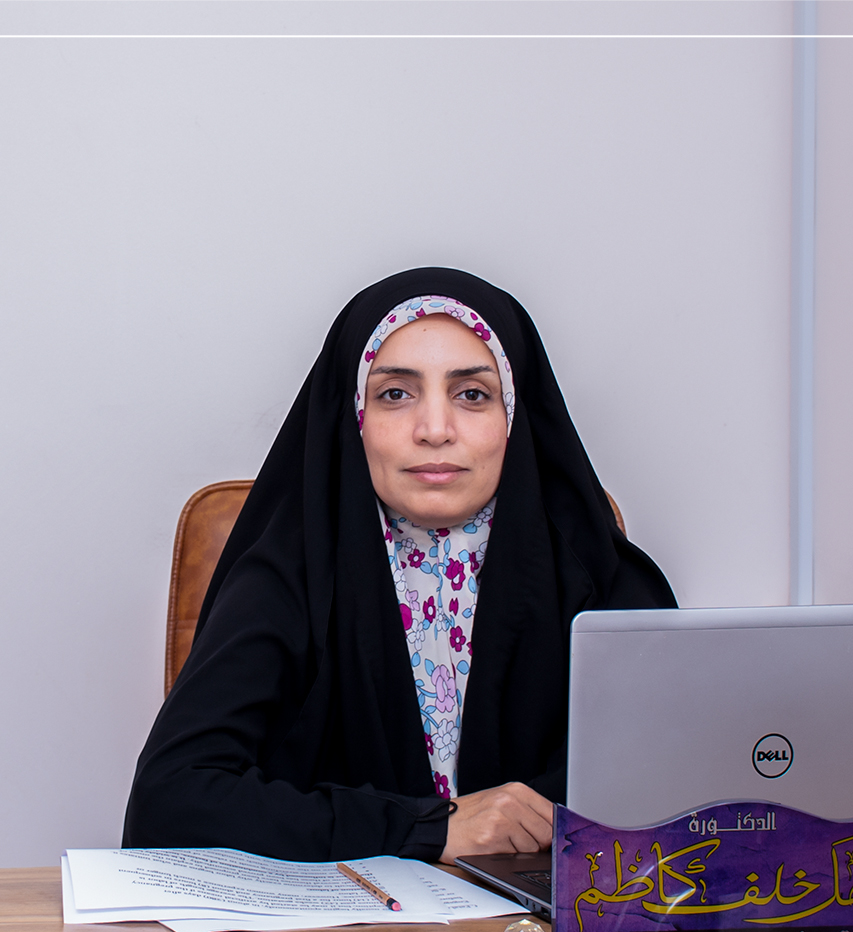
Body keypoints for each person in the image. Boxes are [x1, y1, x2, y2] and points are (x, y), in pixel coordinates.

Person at [123, 267, 676, 864]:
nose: (434, 430)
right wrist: (429, 829)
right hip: (345, 922)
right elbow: (169, 803)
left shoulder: (606, 584)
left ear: (514, 417)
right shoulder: (286, 579)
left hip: (543, 922)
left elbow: (674, 792)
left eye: (472, 394)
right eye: (395, 394)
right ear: (353, 418)